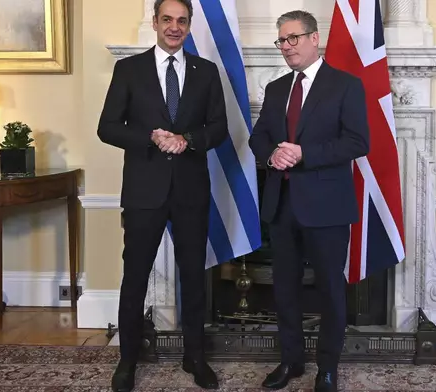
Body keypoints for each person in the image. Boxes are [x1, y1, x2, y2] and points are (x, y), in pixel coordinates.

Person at [97, 0, 228, 390]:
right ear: (155, 22)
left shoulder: (206, 72)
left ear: (189, 26)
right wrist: (152, 138)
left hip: (191, 191)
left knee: (193, 277)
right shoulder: (128, 69)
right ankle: (127, 359)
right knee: (135, 277)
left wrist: (187, 140)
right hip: (143, 191)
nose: (174, 27)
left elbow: (219, 128)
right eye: (167, 19)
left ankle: (195, 357)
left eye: (182, 21)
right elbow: (107, 127)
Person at [248, 10, 370, 392]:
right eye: (281, 41)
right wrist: (272, 156)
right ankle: (291, 361)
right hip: (281, 205)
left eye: (293, 38)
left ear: (315, 38)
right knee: (284, 288)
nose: (286, 47)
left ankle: (328, 368)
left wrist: (303, 154)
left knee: (331, 290)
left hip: (327, 206)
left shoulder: (345, 85)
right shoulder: (276, 88)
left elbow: (357, 142)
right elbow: (258, 138)